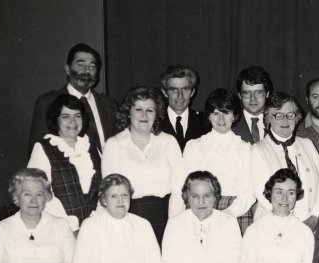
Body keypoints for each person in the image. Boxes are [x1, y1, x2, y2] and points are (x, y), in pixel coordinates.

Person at [102, 86, 182, 244]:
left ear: (156, 114)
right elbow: (110, 190)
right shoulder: (114, 144)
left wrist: (174, 223)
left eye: (150, 110)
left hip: (165, 216)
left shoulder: (169, 142)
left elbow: (179, 186)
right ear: (128, 112)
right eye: (138, 109)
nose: (144, 115)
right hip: (130, 216)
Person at [169, 88, 256, 233]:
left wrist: (228, 214)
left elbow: (249, 192)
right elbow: (180, 186)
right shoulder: (194, 146)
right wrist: (175, 223)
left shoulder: (246, 149)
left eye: (226, 113)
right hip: (199, 213)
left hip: (237, 215)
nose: (221, 119)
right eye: (215, 113)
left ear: (234, 116)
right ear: (208, 117)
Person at [249, 92, 319, 231]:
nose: (285, 120)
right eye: (278, 115)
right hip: (274, 226)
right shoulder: (258, 150)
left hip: (311, 226)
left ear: (297, 118)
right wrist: (291, 225)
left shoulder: (307, 144)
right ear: (268, 119)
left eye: (290, 115)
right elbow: (263, 196)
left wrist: (315, 217)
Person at [27, 94, 101, 232]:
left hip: (95, 229)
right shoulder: (43, 148)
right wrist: (70, 228)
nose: (73, 122)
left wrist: (95, 223)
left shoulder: (92, 147)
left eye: (77, 116)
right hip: (59, 229)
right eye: (66, 116)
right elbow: (38, 193)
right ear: (56, 120)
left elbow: (103, 189)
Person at [29, 43, 119, 153]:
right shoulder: (47, 102)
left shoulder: (109, 104)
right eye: (80, 65)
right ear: (67, 69)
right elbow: (36, 152)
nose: (87, 71)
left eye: (92, 66)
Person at [159, 65, 210, 151]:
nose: (180, 96)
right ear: (165, 92)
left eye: (185, 89)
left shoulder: (206, 122)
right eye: (174, 90)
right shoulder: (154, 122)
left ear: (192, 92)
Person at [232, 66, 274, 144]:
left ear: (267, 94)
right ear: (240, 95)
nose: (253, 98)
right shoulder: (229, 124)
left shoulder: (279, 121)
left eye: (258, 92)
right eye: (247, 93)